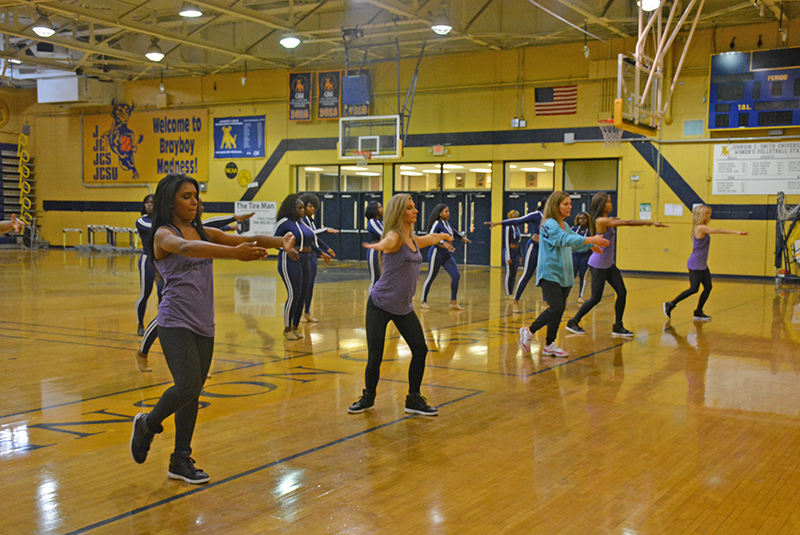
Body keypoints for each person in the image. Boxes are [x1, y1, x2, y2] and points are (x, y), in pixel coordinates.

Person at [130, 173, 294, 485]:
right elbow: (187, 249)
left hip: (204, 321)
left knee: (192, 394)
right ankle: (148, 424)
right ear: (170, 201)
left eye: (196, 196)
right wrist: (234, 254)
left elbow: (246, 240)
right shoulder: (163, 233)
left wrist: (280, 243)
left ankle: (180, 459)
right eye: (187, 196)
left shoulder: (204, 230)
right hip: (175, 320)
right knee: (188, 385)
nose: (195, 202)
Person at [348, 194, 454, 416]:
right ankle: (368, 398)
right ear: (399, 212)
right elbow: (388, 243)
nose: (415, 211)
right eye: (409, 208)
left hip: (404, 307)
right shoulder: (394, 237)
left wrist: (443, 235)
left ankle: (413, 399)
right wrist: (376, 245)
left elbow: (430, 238)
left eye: (414, 207)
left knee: (420, 350)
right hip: (379, 304)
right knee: (375, 355)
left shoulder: (414, 240)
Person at [134, 204, 255, 373]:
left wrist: (233, 221)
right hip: (166, 269)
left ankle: (196, 363)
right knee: (163, 314)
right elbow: (188, 240)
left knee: (194, 320)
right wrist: (233, 246)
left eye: (197, 201)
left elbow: (209, 226)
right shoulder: (155, 225)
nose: (198, 205)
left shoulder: (193, 227)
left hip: (189, 272)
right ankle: (143, 351)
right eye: (187, 198)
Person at [517, 191, 609, 357]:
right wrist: (590, 240)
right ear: (555, 206)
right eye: (565, 204)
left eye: (570, 204)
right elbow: (563, 239)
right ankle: (529, 331)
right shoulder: (548, 224)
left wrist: (590, 246)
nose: (569, 207)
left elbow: (573, 242)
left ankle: (550, 344)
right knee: (556, 307)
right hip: (550, 273)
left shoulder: (565, 225)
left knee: (559, 310)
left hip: (564, 275)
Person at [565, 193, 667, 337]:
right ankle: (573, 321)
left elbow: (619, 221)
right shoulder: (601, 221)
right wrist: (650, 223)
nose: (610, 204)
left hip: (609, 265)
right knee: (596, 298)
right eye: (608, 202)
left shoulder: (606, 220)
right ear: (601, 205)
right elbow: (628, 222)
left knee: (622, 292)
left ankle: (618, 326)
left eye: (610, 202)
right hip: (598, 264)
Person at [663, 204, 747, 321]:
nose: (709, 216)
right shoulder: (700, 228)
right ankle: (670, 304)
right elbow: (717, 230)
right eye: (707, 214)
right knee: (694, 288)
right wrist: (736, 232)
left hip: (702, 264)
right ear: (701, 215)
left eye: (709, 213)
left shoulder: (701, 227)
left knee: (708, 287)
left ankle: (698, 312)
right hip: (695, 263)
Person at [273, 194, 331, 340]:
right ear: (291, 208)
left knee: (302, 294)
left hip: (306, 259)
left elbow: (310, 241)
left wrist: (321, 253)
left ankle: (295, 326)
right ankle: (286, 329)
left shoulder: (303, 223)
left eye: (303, 208)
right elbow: (274, 241)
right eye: (299, 208)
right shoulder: (284, 223)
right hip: (290, 260)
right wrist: (286, 249)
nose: (302, 210)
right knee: (294, 294)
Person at [486, 198, 546, 312]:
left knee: (544, 275)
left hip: (545, 249)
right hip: (534, 246)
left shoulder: (554, 218)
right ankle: (515, 300)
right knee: (527, 274)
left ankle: (545, 302)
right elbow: (517, 220)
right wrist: (498, 223)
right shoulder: (537, 215)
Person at [420, 204, 471, 310]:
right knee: (431, 276)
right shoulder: (437, 223)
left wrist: (461, 237)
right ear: (440, 213)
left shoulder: (446, 223)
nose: (448, 213)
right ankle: (423, 300)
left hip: (446, 255)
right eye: (446, 211)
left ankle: (453, 302)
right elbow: (431, 235)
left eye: (448, 211)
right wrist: (443, 243)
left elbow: (452, 231)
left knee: (456, 275)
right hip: (436, 253)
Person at [299, 193, 337, 323]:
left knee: (310, 285)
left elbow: (315, 238)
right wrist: (325, 229)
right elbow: (309, 235)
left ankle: (307, 312)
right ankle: (298, 314)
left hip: (313, 255)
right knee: (303, 285)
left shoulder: (311, 220)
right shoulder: (302, 220)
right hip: (305, 254)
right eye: (309, 206)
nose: (312, 209)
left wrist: (326, 248)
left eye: (314, 207)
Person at [486, 209, 522, 299]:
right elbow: (506, 241)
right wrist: (508, 257)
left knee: (514, 273)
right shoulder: (508, 227)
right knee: (508, 273)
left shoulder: (517, 227)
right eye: (514, 216)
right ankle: (507, 293)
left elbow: (519, 242)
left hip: (516, 251)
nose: (516, 217)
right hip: (509, 251)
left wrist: (520, 255)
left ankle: (511, 291)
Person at [135, 194, 157, 337]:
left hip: (162, 261)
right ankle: (140, 324)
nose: (149, 205)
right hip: (147, 259)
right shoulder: (141, 221)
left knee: (163, 294)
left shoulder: (163, 221)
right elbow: (156, 229)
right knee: (145, 293)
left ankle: (162, 325)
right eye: (147, 202)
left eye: (152, 203)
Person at [571, 211, 591, 303]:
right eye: (580, 219)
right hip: (575, 254)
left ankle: (581, 296)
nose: (582, 220)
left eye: (584, 218)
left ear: (587, 220)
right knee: (572, 275)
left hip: (585, 255)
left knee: (583, 276)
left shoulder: (591, 231)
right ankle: (566, 295)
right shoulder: (574, 229)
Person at [365, 200, 384, 293]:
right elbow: (383, 235)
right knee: (375, 278)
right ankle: (370, 301)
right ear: (374, 210)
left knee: (381, 278)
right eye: (380, 207)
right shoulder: (373, 222)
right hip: (374, 251)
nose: (382, 209)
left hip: (382, 251)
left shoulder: (381, 222)